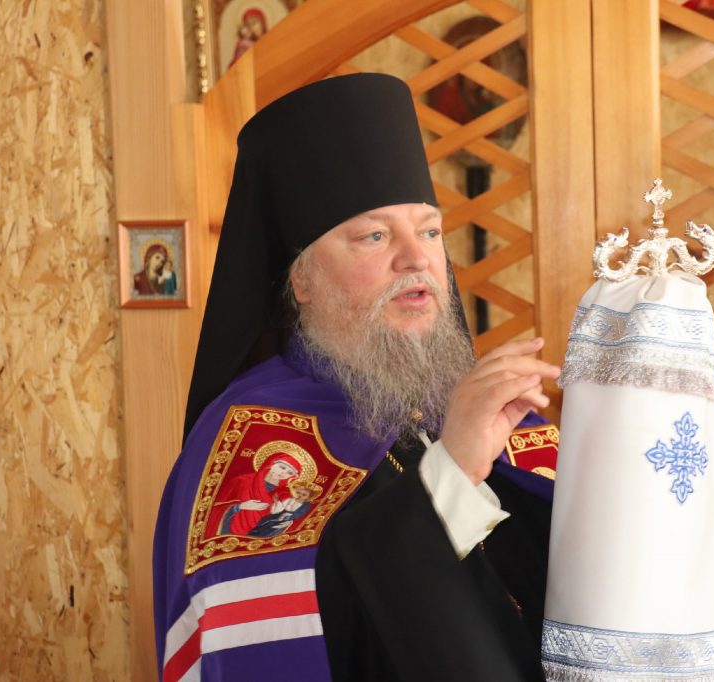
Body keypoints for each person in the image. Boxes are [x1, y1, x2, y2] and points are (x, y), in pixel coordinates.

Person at [153, 73, 561, 682]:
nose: (417, 258)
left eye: (429, 231)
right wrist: (452, 472)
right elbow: (282, 644)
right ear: (302, 281)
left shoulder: (479, 405)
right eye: (374, 235)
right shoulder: (251, 440)